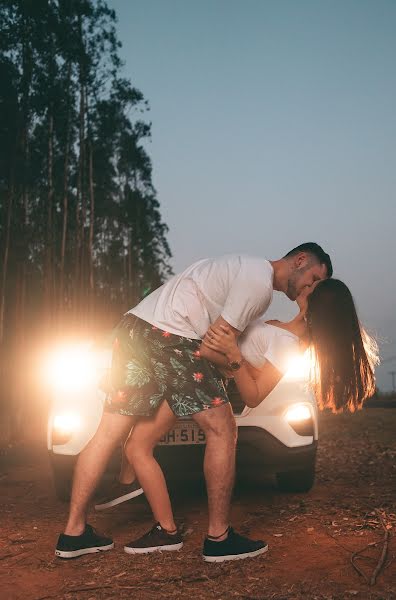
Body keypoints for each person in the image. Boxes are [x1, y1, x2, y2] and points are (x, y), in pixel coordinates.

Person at [55, 243, 332, 561]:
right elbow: (213, 345)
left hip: (135, 328)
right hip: (170, 337)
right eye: (313, 277)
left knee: (109, 433)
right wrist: (231, 359)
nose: (312, 287)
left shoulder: (241, 265)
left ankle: (74, 533)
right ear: (299, 260)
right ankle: (218, 538)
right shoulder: (259, 284)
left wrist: (229, 356)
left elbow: (223, 342)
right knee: (222, 428)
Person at [107, 278, 377, 561]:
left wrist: (234, 356)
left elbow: (253, 395)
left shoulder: (290, 344)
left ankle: (213, 536)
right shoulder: (283, 329)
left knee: (146, 444)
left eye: (313, 286)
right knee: (136, 445)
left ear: (318, 305)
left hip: (197, 375)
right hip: (190, 370)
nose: (306, 285)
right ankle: (167, 529)